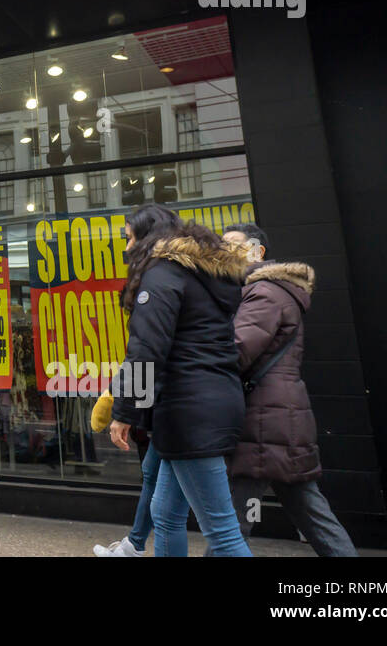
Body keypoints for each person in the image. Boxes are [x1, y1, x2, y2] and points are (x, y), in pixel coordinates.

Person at [108, 204, 252, 557]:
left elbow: (146, 350)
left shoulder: (162, 275)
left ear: (147, 237)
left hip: (189, 412)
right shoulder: (201, 275)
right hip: (211, 402)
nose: (126, 248)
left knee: (223, 533)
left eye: (129, 238)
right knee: (165, 514)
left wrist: (125, 412)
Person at [219, 223, 357, 556]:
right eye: (222, 245)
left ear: (257, 252)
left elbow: (237, 350)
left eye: (233, 245)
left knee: (232, 520)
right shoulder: (267, 290)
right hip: (280, 419)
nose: (225, 252)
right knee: (310, 512)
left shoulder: (264, 292)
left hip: (265, 421)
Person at [90, 388, 157, 557]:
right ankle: (132, 546)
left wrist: (123, 414)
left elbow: (143, 363)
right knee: (153, 478)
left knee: (218, 521)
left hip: (182, 414)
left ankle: (132, 547)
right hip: (181, 413)